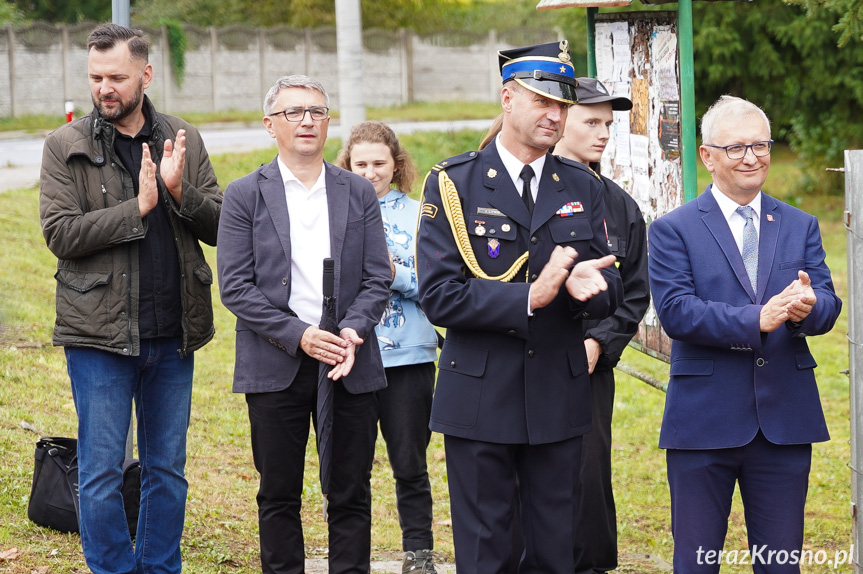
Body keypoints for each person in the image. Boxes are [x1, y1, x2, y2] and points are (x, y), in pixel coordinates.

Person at [415, 41, 623, 574]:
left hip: (558, 393)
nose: (555, 115)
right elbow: (439, 295)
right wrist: (528, 296)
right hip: (481, 396)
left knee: (556, 551)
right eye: (542, 102)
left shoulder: (582, 185)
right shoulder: (453, 182)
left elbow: (615, 285)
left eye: (563, 105)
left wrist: (587, 285)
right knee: (487, 553)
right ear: (508, 98)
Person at [38, 22, 222, 574]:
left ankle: (161, 567)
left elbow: (220, 226)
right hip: (99, 339)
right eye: (96, 77)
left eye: (116, 76)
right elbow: (60, 234)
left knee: (167, 469)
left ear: (145, 73)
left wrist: (176, 193)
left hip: (173, 336)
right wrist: (137, 208)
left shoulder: (181, 138)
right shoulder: (64, 146)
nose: (104, 88)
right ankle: (114, 569)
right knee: (99, 471)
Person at [648, 95, 842, 574]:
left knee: (780, 564)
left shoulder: (800, 224)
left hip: (784, 421)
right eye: (736, 148)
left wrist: (809, 308)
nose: (752, 157)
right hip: (704, 420)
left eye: (761, 145)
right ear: (707, 156)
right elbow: (676, 312)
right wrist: (757, 319)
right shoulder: (674, 230)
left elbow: (827, 306)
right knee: (697, 562)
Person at [217, 75, 391, 574]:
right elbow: (236, 287)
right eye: (294, 112)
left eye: (317, 111)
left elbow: (379, 276)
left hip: (347, 360)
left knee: (351, 493)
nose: (307, 120)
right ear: (270, 124)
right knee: (277, 494)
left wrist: (353, 330)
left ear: (329, 122)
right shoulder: (245, 195)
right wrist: (300, 335)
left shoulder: (357, 192)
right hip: (276, 363)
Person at [335, 121, 441, 574]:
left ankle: (418, 552)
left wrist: (390, 272)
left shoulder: (421, 215)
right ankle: (349, 555)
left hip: (409, 358)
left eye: (379, 163)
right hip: (352, 357)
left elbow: (436, 286)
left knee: (409, 462)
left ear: (396, 166)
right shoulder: (334, 212)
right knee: (348, 467)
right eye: (361, 164)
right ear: (347, 166)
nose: (370, 172)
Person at [554, 77, 650, 574]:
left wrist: (600, 341)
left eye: (607, 124)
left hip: (591, 361)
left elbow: (636, 289)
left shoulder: (618, 202)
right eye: (591, 121)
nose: (603, 133)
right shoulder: (527, 187)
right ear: (559, 117)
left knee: (589, 472)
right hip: (533, 353)